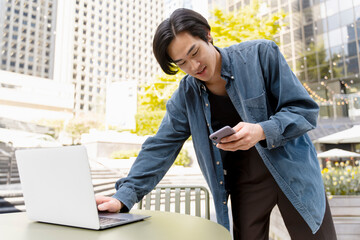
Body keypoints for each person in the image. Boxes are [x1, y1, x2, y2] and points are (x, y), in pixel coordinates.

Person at [96, 8, 337, 239]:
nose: (193, 67)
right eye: (181, 63)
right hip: (246, 187)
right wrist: (123, 197)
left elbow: (304, 110)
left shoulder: (261, 55)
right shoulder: (185, 96)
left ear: (208, 35)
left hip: (295, 173)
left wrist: (262, 130)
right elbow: (160, 146)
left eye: (194, 52)